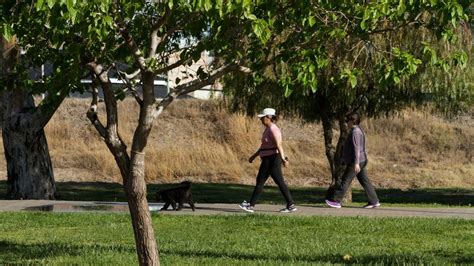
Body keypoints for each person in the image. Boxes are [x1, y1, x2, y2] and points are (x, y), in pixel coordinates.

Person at [239, 108, 297, 213]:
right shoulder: (268, 129)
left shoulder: (273, 129)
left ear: (269, 117)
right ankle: (290, 204)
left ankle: (251, 205)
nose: (261, 120)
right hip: (268, 158)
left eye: (263, 117)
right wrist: (254, 156)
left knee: (260, 181)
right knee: (279, 182)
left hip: (272, 159)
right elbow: (263, 146)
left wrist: (283, 159)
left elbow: (279, 145)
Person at [325, 112, 381, 209]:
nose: (346, 123)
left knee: (345, 180)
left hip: (356, 161)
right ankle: (374, 201)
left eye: (348, 121)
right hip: (361, 160)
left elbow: (356, 149)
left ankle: (337, 201)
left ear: (352, 121)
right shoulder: (358, 130)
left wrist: (356, 163)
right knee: (365, 181)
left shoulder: (355, 132)